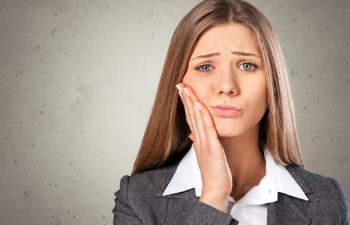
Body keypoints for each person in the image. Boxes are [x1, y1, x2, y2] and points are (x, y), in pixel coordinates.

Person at [112, 0, 350, 224]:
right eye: (205, 67)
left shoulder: (327, 198)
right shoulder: (137, 199)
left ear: (273, 83)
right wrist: (214, 193)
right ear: (180, 83)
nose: (226, 86)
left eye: (247, 65)